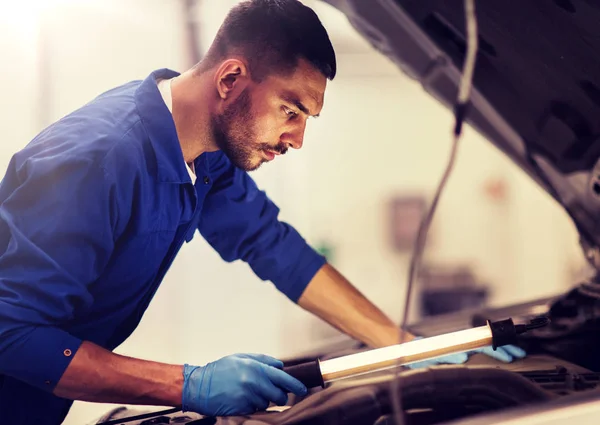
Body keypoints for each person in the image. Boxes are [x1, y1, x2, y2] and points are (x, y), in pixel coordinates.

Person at [0, 0, 525, 423]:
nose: (297, 138)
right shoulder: (94, 159)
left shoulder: (204, 153)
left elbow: (271, 245)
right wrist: (190, 384)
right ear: (230, 80)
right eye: (290, 110)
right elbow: (12, 334)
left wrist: (404, 347)